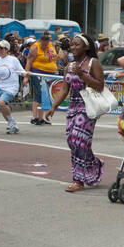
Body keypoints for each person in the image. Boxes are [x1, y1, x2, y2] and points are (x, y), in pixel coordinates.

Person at [48, 33, 105, 192]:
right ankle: (94, 164)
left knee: (77, 141)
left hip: (88, 107)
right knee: (73, 142)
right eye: (72, 45)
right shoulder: (69, 66)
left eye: (77, 44)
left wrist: (83, 76)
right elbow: (65, 88)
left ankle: (78, 181)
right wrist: (53, 107)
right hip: (73, 107)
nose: (73, 47)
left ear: (86, 47)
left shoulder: (94, 63)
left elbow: (100, 86)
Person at [27, 31, 59, 125]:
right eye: (44, 44)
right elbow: (29, 61)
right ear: (40, 41)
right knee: (40, 94)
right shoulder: (34, 47)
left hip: (50, 73)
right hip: (37, 72)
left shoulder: (51, 46)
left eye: (47, 44)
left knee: (46, 96)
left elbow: (55, 57)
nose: (45, 46)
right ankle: (35, 117)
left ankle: (41, 118)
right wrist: (26, 75)